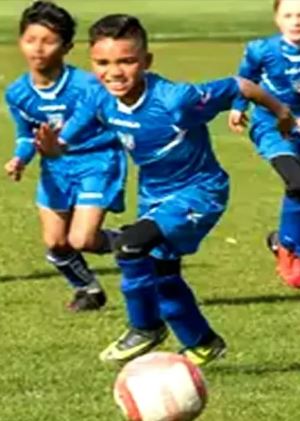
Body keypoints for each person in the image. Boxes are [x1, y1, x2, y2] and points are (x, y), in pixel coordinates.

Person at [35, 14, 295, 365]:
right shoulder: (100, 100)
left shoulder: (176, 99)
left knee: (130, 246)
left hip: (200, 191)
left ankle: (145, 326)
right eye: (103, 63)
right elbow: (66, 139)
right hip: (154, 195)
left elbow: (239, 85)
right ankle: (201, 341)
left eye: (126, 61)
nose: (114, 72)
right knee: (162, 275)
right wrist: (53, 147)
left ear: (146, 61)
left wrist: (280, 111)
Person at [4, 2, 127, 311]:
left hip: (97, 160)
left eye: (49, 41)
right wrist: (20, 158)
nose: (38, 48)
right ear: (20, 41)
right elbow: (26, 135)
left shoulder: (87, 85)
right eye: (31, 39)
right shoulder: (18, 93)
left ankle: (137, 243)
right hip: (56, 167)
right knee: (57, 244)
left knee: (82, 240)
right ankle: (88, 289)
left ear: (67, 46)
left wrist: (59, 142)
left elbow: (99, 121)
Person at [228, 0, 300, 289]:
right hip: (272, 126)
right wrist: (237, 106)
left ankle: (280, 241)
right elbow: (245, 78)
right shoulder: (262, 49)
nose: (296, 21)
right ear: (277, 19)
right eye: (289, 15)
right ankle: (289, 252)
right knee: (296, 181)